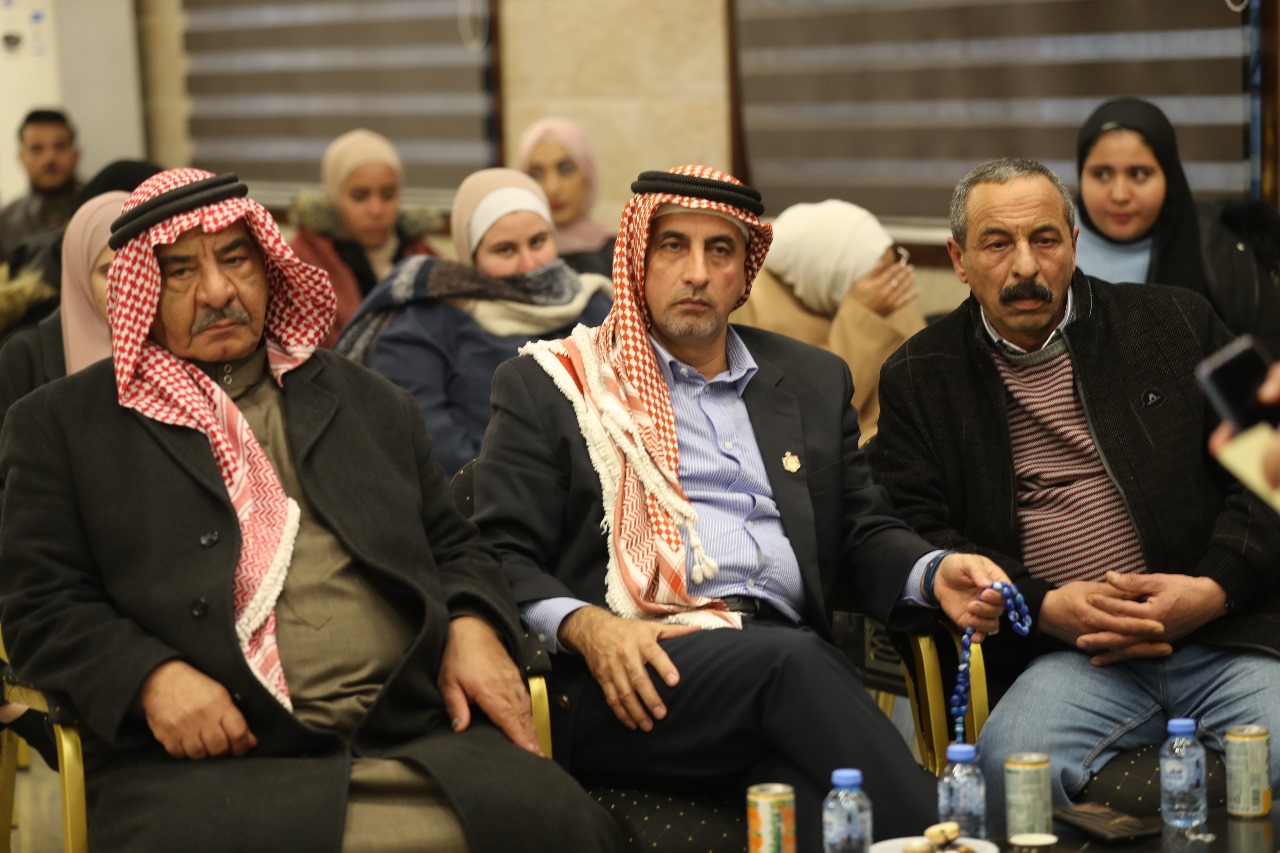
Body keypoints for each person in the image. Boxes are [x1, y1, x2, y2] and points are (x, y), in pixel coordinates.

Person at [0, 168, 621, 852]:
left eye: (235, 259)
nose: (218, 291)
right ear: (140, 290)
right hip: (215, 764)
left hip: (411, 731)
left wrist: (472, 625)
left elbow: (453, 547)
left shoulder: (371, 403)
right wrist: (150, 678)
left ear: (269, 267)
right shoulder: (63, 426)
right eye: (180, 272)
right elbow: (41, 603)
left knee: (569, 827)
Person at [470, 164, 1014, 852]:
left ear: (745, 271)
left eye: (719, 250)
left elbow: (860, 527)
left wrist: (930, 573)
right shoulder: (553, 384)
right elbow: (497, 553)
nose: (697, 272)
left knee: (823, 808)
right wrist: (588, 628)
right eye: (674, 246)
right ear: (637, 257)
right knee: (797, 668)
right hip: (636, 673)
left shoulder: (810, 379)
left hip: (778, 676)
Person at [866, 157, 1280, 834]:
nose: (1026, 266)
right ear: (959, 259)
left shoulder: (1176, 320)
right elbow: (919, 529)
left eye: (1045, 239)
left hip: (1220, 634)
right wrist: (1042, 605)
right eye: (997, 244)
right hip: (1068, 654)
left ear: (1074, 243)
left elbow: (1268, 466)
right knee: (1008, 773)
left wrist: (1215, 587)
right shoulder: (919, 376)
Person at [336, 167, 611, 475]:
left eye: (538, 241)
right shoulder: (425, 322)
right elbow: (426, 442)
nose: (529, 264)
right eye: (505, 249)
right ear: (472, 255)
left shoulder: (592, 305)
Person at [1075, 97, 1280, 354]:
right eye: (1102, 174)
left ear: (1168, 176)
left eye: (1139, 174)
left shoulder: (1221, 254)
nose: (1119, 195)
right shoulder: (1047, 245)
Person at [730, 199, 925, 442]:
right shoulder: (749, 304)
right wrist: (861, 319)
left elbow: (924, 389)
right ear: (827, 276)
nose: (888, 283)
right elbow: (814, 415)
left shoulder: (888, 291)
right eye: (876, 277)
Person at [288, 128, 439, 347]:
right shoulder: (303, 263)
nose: (376, 210)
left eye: (388, 195)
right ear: (334, 196)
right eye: (360, 197)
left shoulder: (421, 255)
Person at [0, 190, 125, 424]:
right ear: (80, 275)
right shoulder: (24, 357)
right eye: (108, 271)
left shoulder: (172, 344)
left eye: (138, 265)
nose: (126, 284)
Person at [516, 117, 616, 276]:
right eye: (536, 174)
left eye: (566, 170)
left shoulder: (621, 256)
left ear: (587, 175)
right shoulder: (516, 259)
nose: (552, 188)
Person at [0, 109, 81, 265]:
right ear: (21, 158)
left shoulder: (102, 208)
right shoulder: (5, 224)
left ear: (76, 154)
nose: (49, 158)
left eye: (60, 146)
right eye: (36, 149)